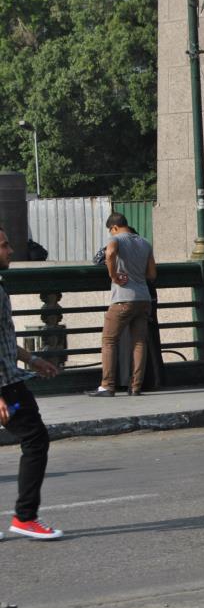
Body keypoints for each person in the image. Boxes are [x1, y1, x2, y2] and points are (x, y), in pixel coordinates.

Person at [0, 227, 64, 540]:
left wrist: (32, 359)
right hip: (5, 385)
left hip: (9, 377)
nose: (10, 250)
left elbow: (3, 339)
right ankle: (25, 517)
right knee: (36, 440)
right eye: (4, 245)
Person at [88, 213, 157, 397]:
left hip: (122, 298)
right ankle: (135, 387)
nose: (111, 233)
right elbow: (152, 274)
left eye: (110, 230)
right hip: (144, 298)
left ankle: (107, 385)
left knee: (109, 340)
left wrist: (114, 276)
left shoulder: (116, 239)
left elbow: (110, 253)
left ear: (114, 227)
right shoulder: (145, 243)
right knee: (139, 342)